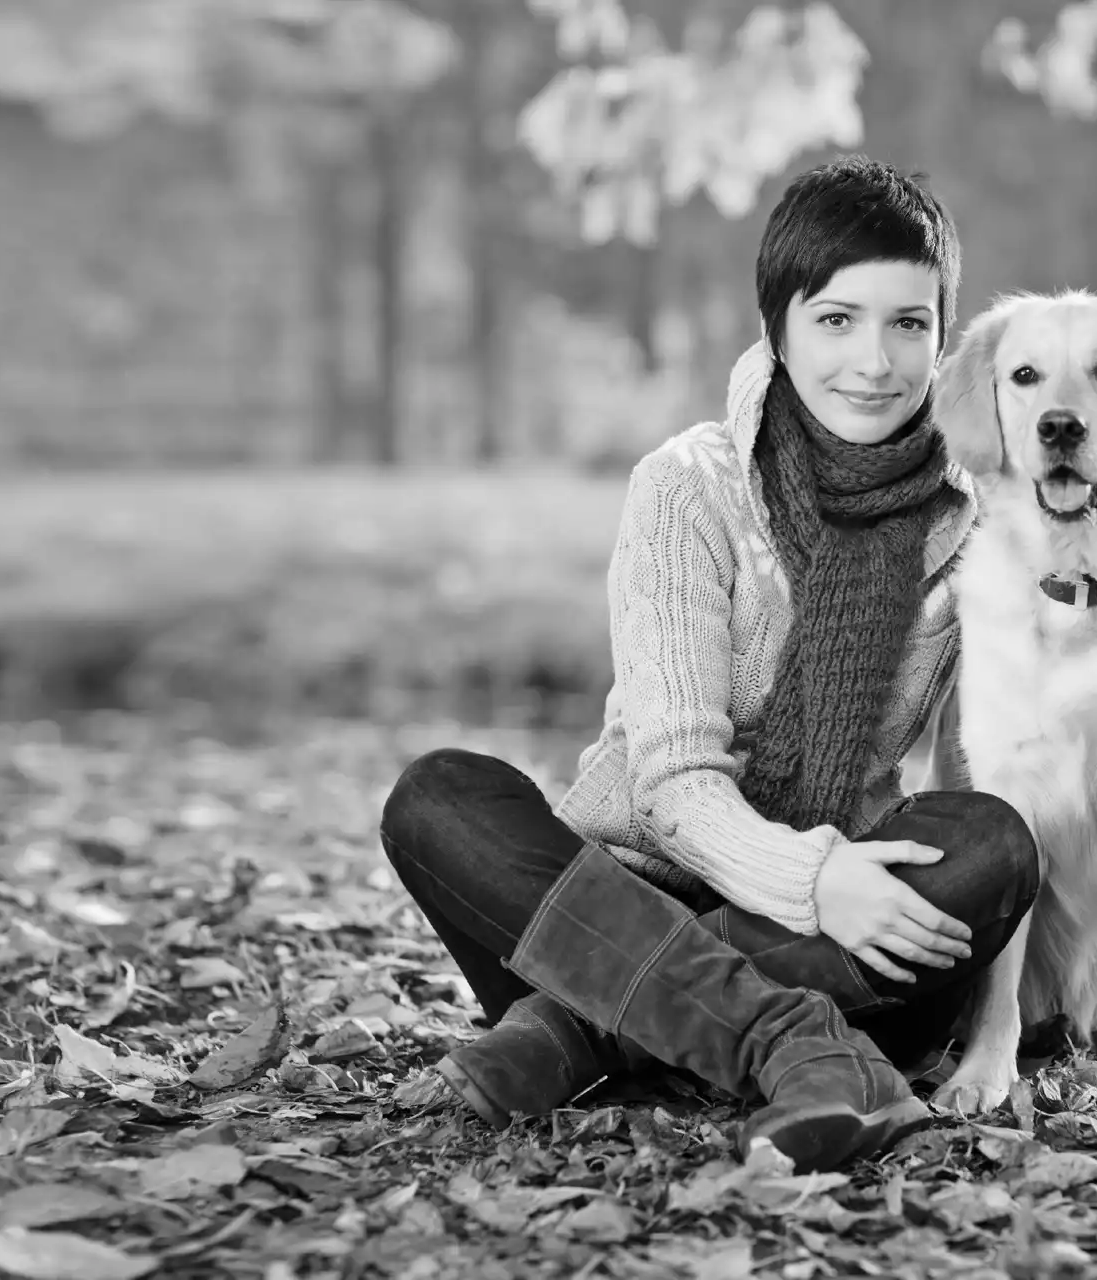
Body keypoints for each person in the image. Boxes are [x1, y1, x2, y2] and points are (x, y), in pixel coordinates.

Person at [378, 155, 1042, 1174]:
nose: (875, 360)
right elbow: (675, 784)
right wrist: (811, 880)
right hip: (636, 898)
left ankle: (578, 1035)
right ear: (778, 324)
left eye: (909, 322)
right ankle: (795, 1047)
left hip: (789, 948)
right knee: (439, 800)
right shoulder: (689, 488)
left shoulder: (971, 518)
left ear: (941, 333)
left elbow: (1005, 747)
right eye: (837, 319)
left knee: (992, 842)